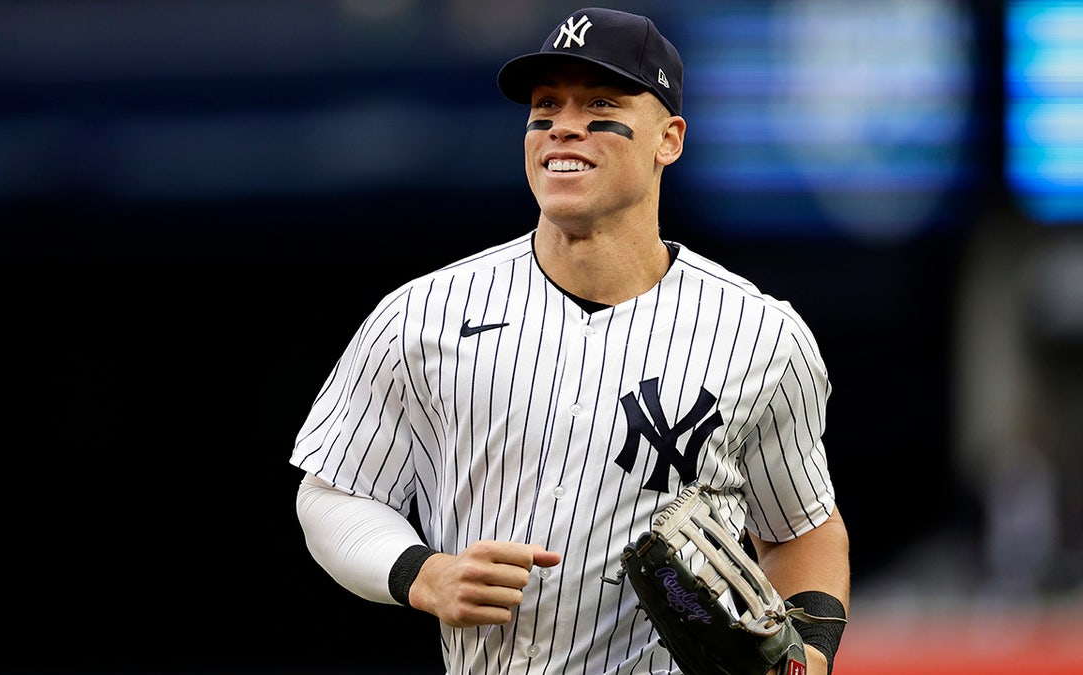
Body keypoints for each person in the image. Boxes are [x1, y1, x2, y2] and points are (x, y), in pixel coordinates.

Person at [291, 7, 850, 675]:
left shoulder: (760, 334)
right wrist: (421, 571)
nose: (563, 124)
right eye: (546, 104)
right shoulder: (425, 313)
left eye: (599, 102)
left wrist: (810, 659)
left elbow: (802, 529)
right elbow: (333, 492)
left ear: (668, 138)